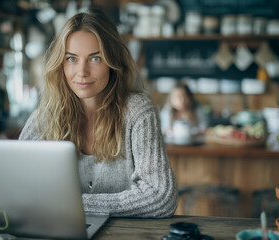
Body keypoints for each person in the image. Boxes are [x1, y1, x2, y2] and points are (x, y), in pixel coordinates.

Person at [19, 8, 177, 218]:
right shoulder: (46, 115)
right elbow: (15, 185)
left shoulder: (137, 111)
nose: (82, 72)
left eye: (95, 59)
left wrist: (69, 204)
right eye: (71, 59)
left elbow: (161, 198)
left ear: (113, 63)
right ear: (60, 64)